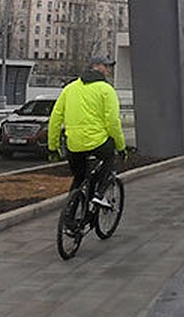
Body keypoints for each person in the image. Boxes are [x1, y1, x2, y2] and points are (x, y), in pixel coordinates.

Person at [47, 54, 126, 206]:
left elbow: (55, 119)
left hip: (74, 144)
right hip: (98, 143)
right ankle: (99, 194)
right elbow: (112, 123)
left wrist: (53, 147)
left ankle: (71, 217)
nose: (109, 70)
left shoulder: (69, 88)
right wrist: (121, 147)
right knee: (109, 158)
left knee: (79, 178)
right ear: (97, 67)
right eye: (107, 66)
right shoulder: (106, 89)